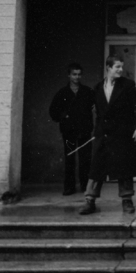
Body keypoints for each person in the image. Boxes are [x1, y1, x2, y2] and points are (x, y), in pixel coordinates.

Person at [79, 55, 136, 215]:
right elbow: (98, 113)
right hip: (103, 135)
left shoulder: (128, 85)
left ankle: (127, 201)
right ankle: (90, 200)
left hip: (123, 134)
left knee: (124, 168)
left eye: (121, 66)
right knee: (96, 168)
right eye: (117, 67)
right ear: (108, 68)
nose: (121, 70)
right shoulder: (97, 88)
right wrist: (97, 132)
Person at [48, 62, 95, 196]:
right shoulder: (62, 93)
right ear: (69, 75)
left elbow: (96, 106)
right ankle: (69, 187)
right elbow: (53, 111)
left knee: (85, 159)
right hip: (69, 131)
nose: (77, 77)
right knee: (70, 159)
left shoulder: (87, 92)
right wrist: (64, 116)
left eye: (79, 74)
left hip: (85, 131)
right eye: (74, 74)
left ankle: (85, 186)